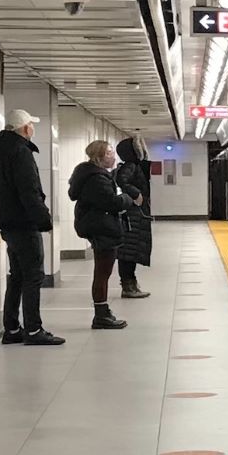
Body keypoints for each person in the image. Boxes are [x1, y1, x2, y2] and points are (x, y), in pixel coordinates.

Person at [0, 110, 64, 346]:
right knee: (33, 275)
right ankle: (33, 330)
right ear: (25, 128)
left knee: (17, 275)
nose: (33, 129)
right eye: (32, 124)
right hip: (24, 222)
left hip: (8, 222)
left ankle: (11, 328)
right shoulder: (21, 152)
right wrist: (44, 220)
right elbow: (29, 190)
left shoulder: (1, 152)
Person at [69, 140, 134, 329]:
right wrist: (126, 198)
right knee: (102, 272)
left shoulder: (91, 175)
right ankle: (101, 314)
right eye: (109, 153)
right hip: (102, 227)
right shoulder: (96, 178)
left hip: (98, 225)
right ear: (99, 157)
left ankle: (103, 311)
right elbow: (111, 202)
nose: (113, 156)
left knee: (102, 271)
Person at [113, 137, 153, 299]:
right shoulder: (131, 166)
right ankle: (128, 285)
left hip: (136, 214)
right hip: (133, 215)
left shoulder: (133, 166)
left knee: (132, 250)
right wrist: (136, 194)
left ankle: (131, 283)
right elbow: (121, 180)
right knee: (129, 251)